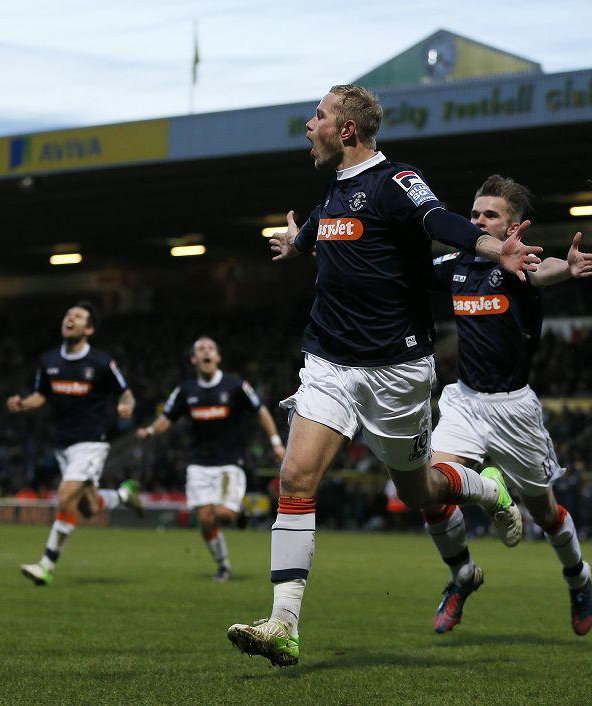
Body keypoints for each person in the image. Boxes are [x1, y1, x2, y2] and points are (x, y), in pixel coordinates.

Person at [226, 84, 542, 667]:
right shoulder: (332, 191)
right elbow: (319, 229)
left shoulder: (396, 180)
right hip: (329, 361)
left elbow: (439, 218)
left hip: (396, 368)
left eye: (317, 115)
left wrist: (490, 246)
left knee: (418, 490)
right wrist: (294, 241)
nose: (308, 123)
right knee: (295, 478)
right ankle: (283, 625)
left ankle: (483, 486)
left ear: (346, 130)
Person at [424, 174, 592, 636]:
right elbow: (403, 270)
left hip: (514, 410)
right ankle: (462, 575)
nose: (478, 220)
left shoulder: (520, 264)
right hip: (463, 400)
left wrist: (568, 267)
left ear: (515, 226)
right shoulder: (458, 264)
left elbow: (542, 272)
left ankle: (578, 577)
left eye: (491, 215)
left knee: (545, 513)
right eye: (475, 213)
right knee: (429, 491)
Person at [7, 301, 143, 586]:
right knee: (88, 508)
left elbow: (126, 393)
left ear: (89, 328)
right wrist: (23, 403)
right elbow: (41, 395)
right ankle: (122, 495)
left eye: (78, 316)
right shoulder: (49, 361)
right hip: (62, 444)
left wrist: (126, 406)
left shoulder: (102, 363)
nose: (70, 318)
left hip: (92, 441)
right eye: (68, 314)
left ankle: (46, 565)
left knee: (66, 494)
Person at [136, 336, 286, 581]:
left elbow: (261, 412)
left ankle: (239, 514)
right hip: (198, 463)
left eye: (210, 348)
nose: (206, 352)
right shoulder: (186, 390)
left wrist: (276, 443)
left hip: (229, 462)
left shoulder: (235, 386)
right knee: (205, 518)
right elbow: (167, 418)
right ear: (194, 359)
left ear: (217, 357)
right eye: (200, 349)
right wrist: (150, 431)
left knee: (224, 513)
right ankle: (223, 565)